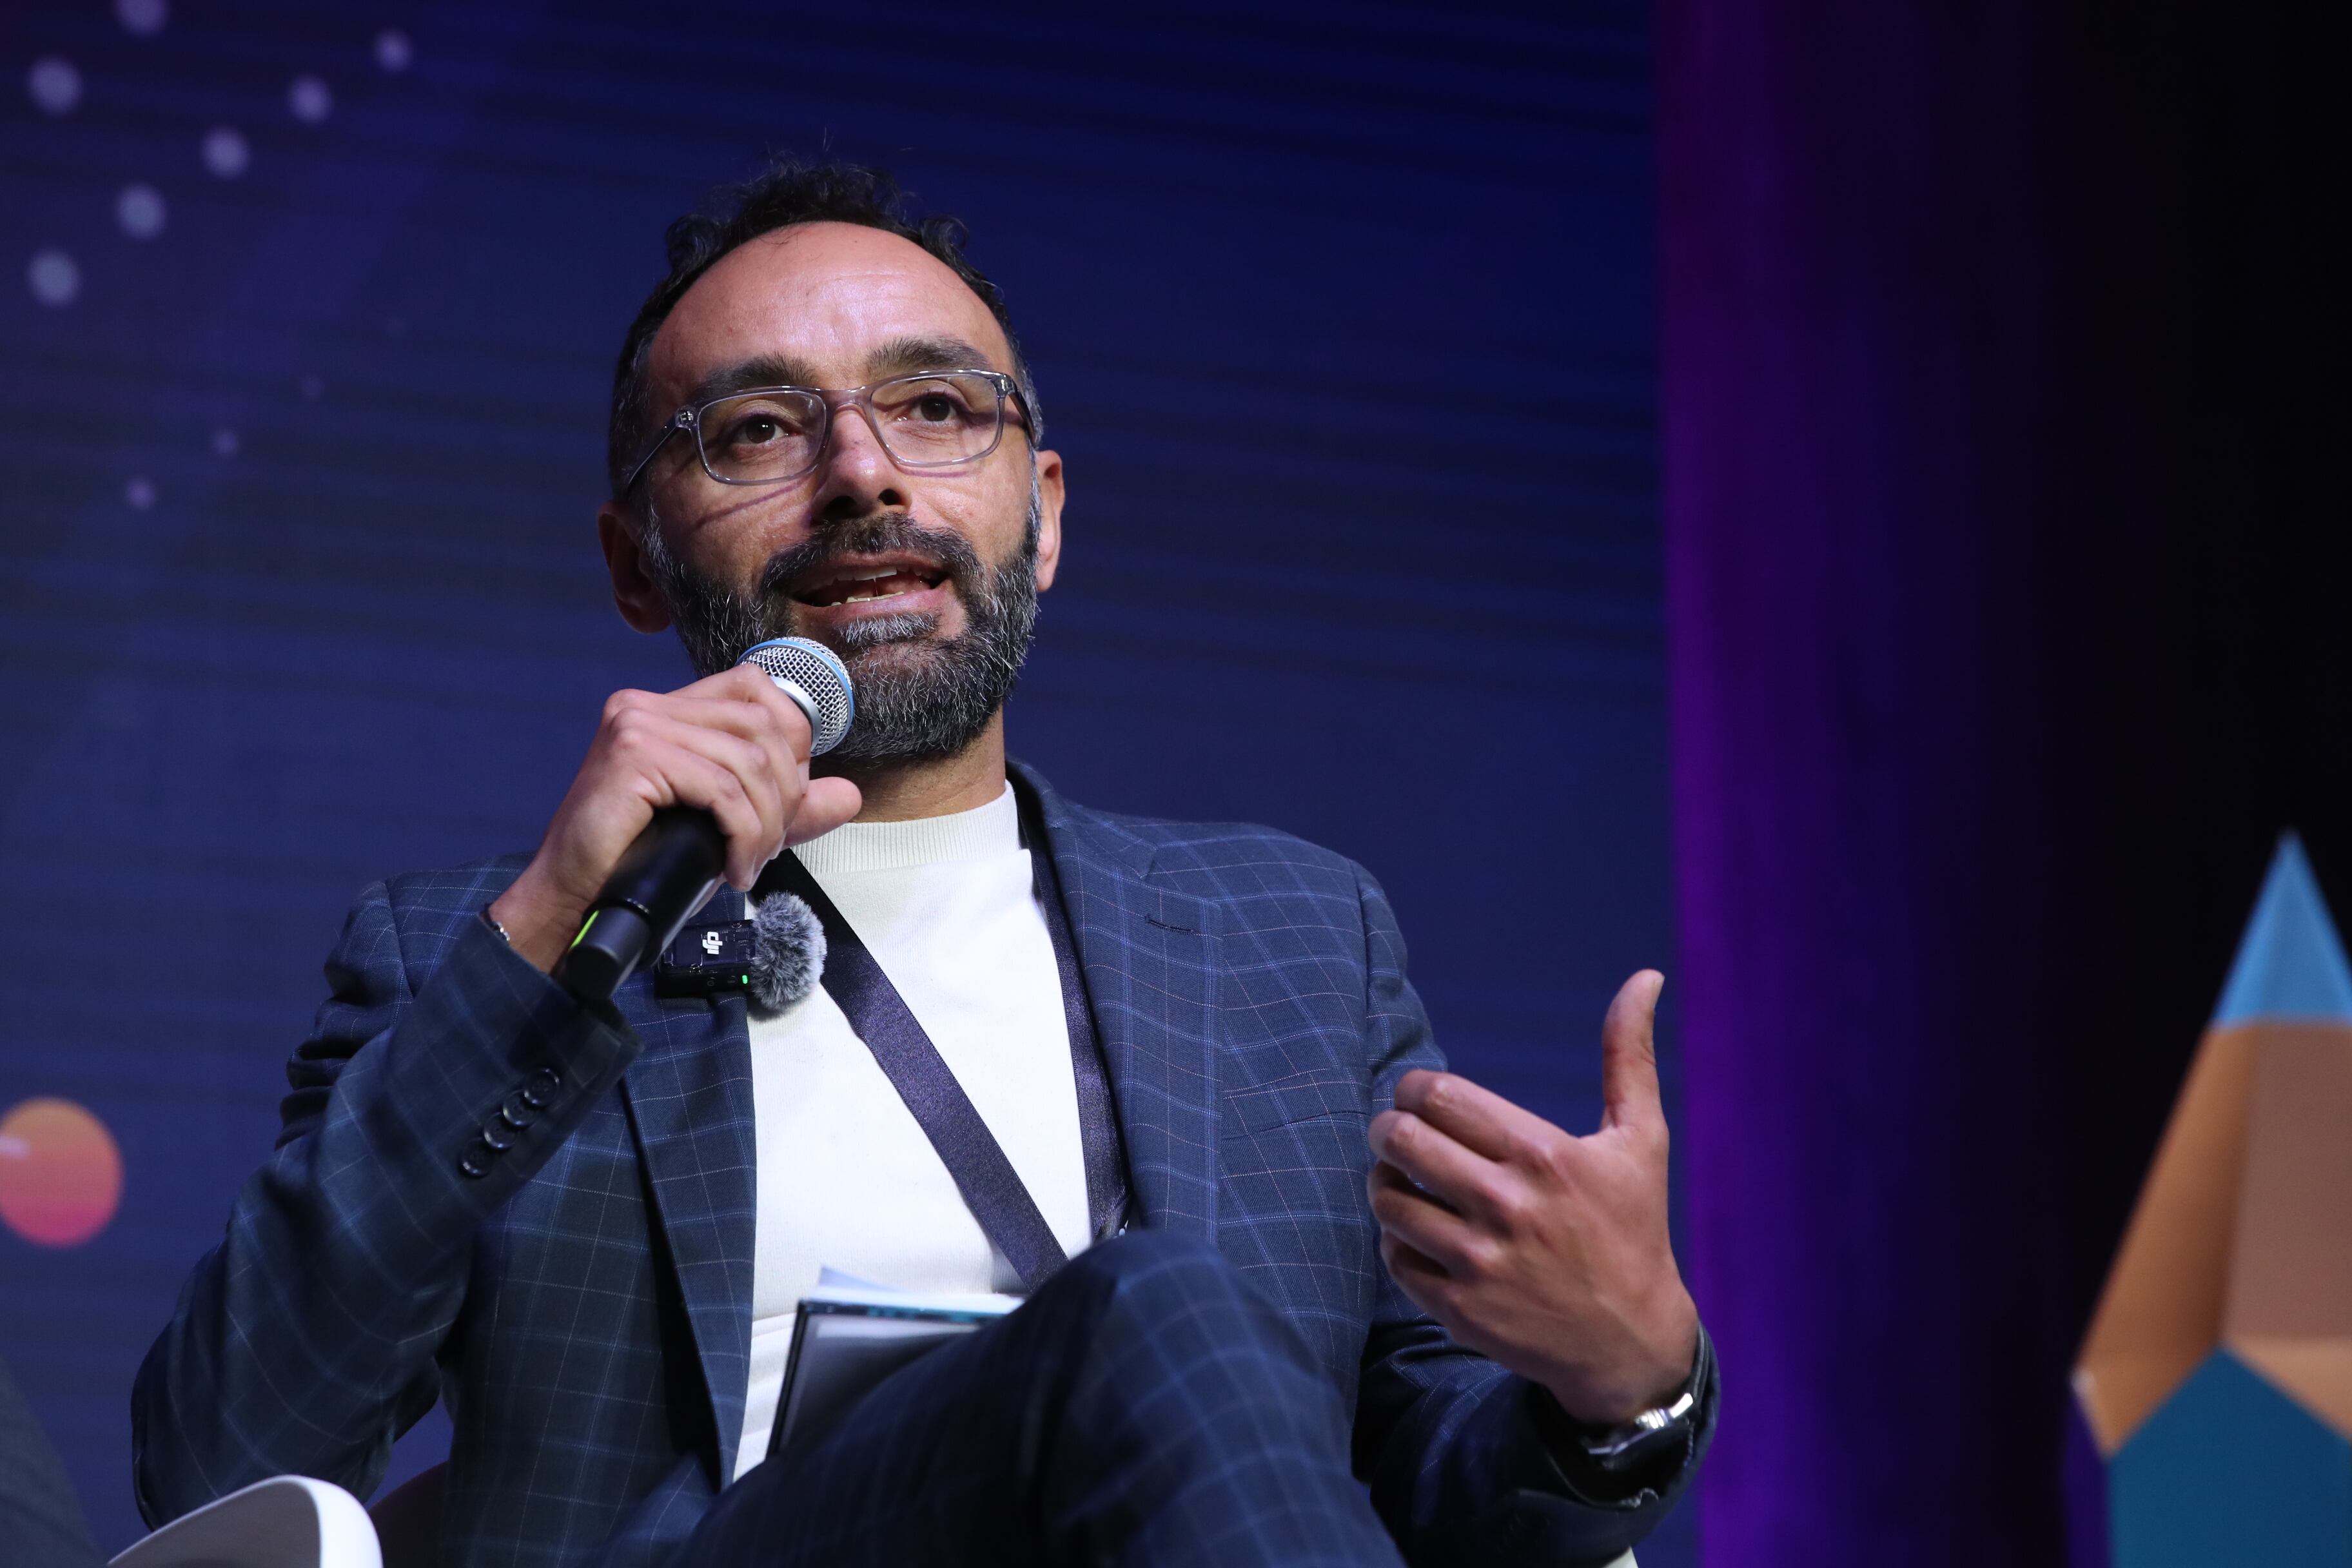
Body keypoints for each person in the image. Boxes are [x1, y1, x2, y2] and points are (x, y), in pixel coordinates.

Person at [133, 159, 1715, 1568]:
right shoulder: (477, 959)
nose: (863, 472)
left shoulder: (1292, 937)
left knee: (1166, 1331)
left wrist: (1624, 1382)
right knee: (1152, 1308)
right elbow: (225, 1462)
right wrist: (555, 923)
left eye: (938, 409)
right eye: (760, 429)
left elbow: (1438, 1504)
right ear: (638, 563)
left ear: (1045, 516)